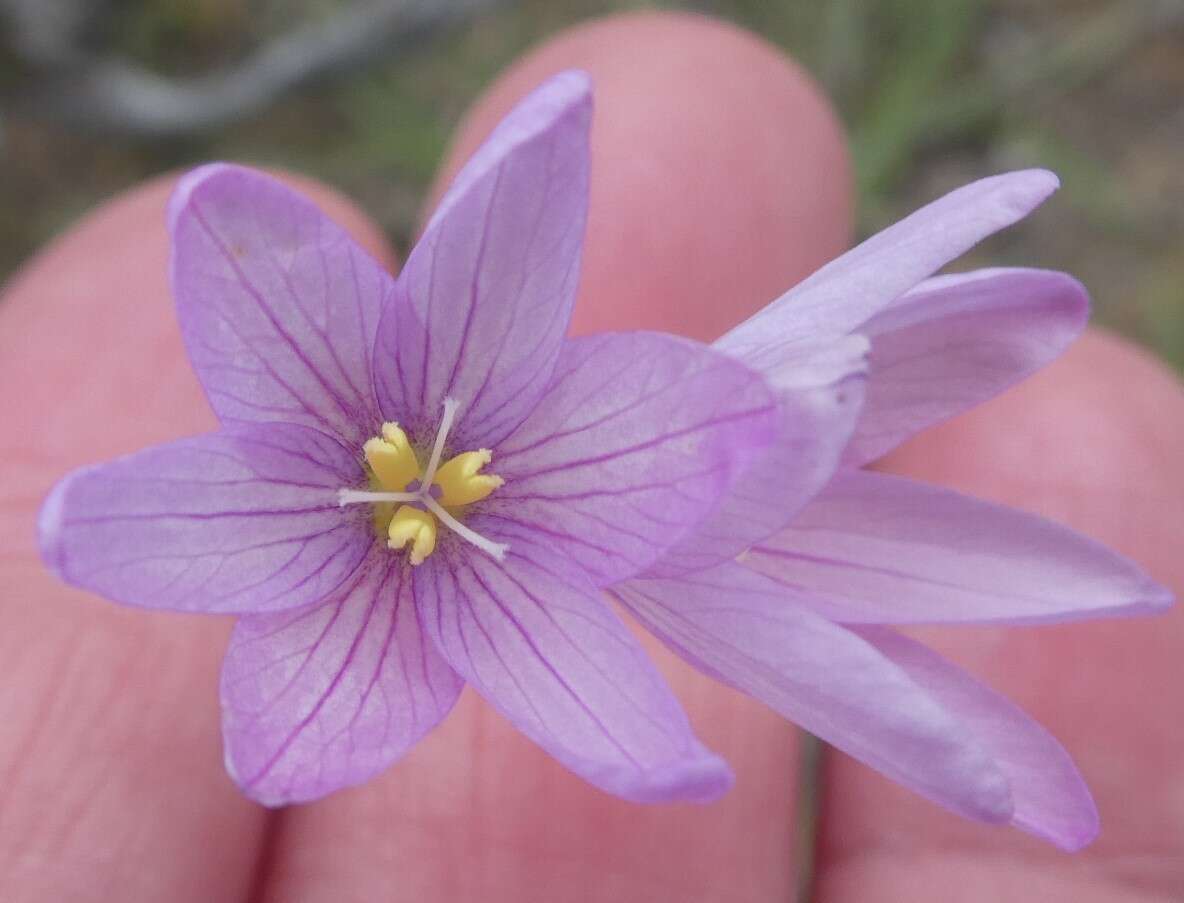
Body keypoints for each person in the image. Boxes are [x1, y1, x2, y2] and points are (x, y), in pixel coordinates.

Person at [1, 12, 1180, 903]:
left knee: (758, 425)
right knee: (758, 424)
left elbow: (711, 440)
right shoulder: (344, 509)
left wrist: (732, 448)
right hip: (572, 524)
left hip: (598, 499)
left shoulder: (694, 434)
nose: (423, 491)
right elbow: (292, 729)